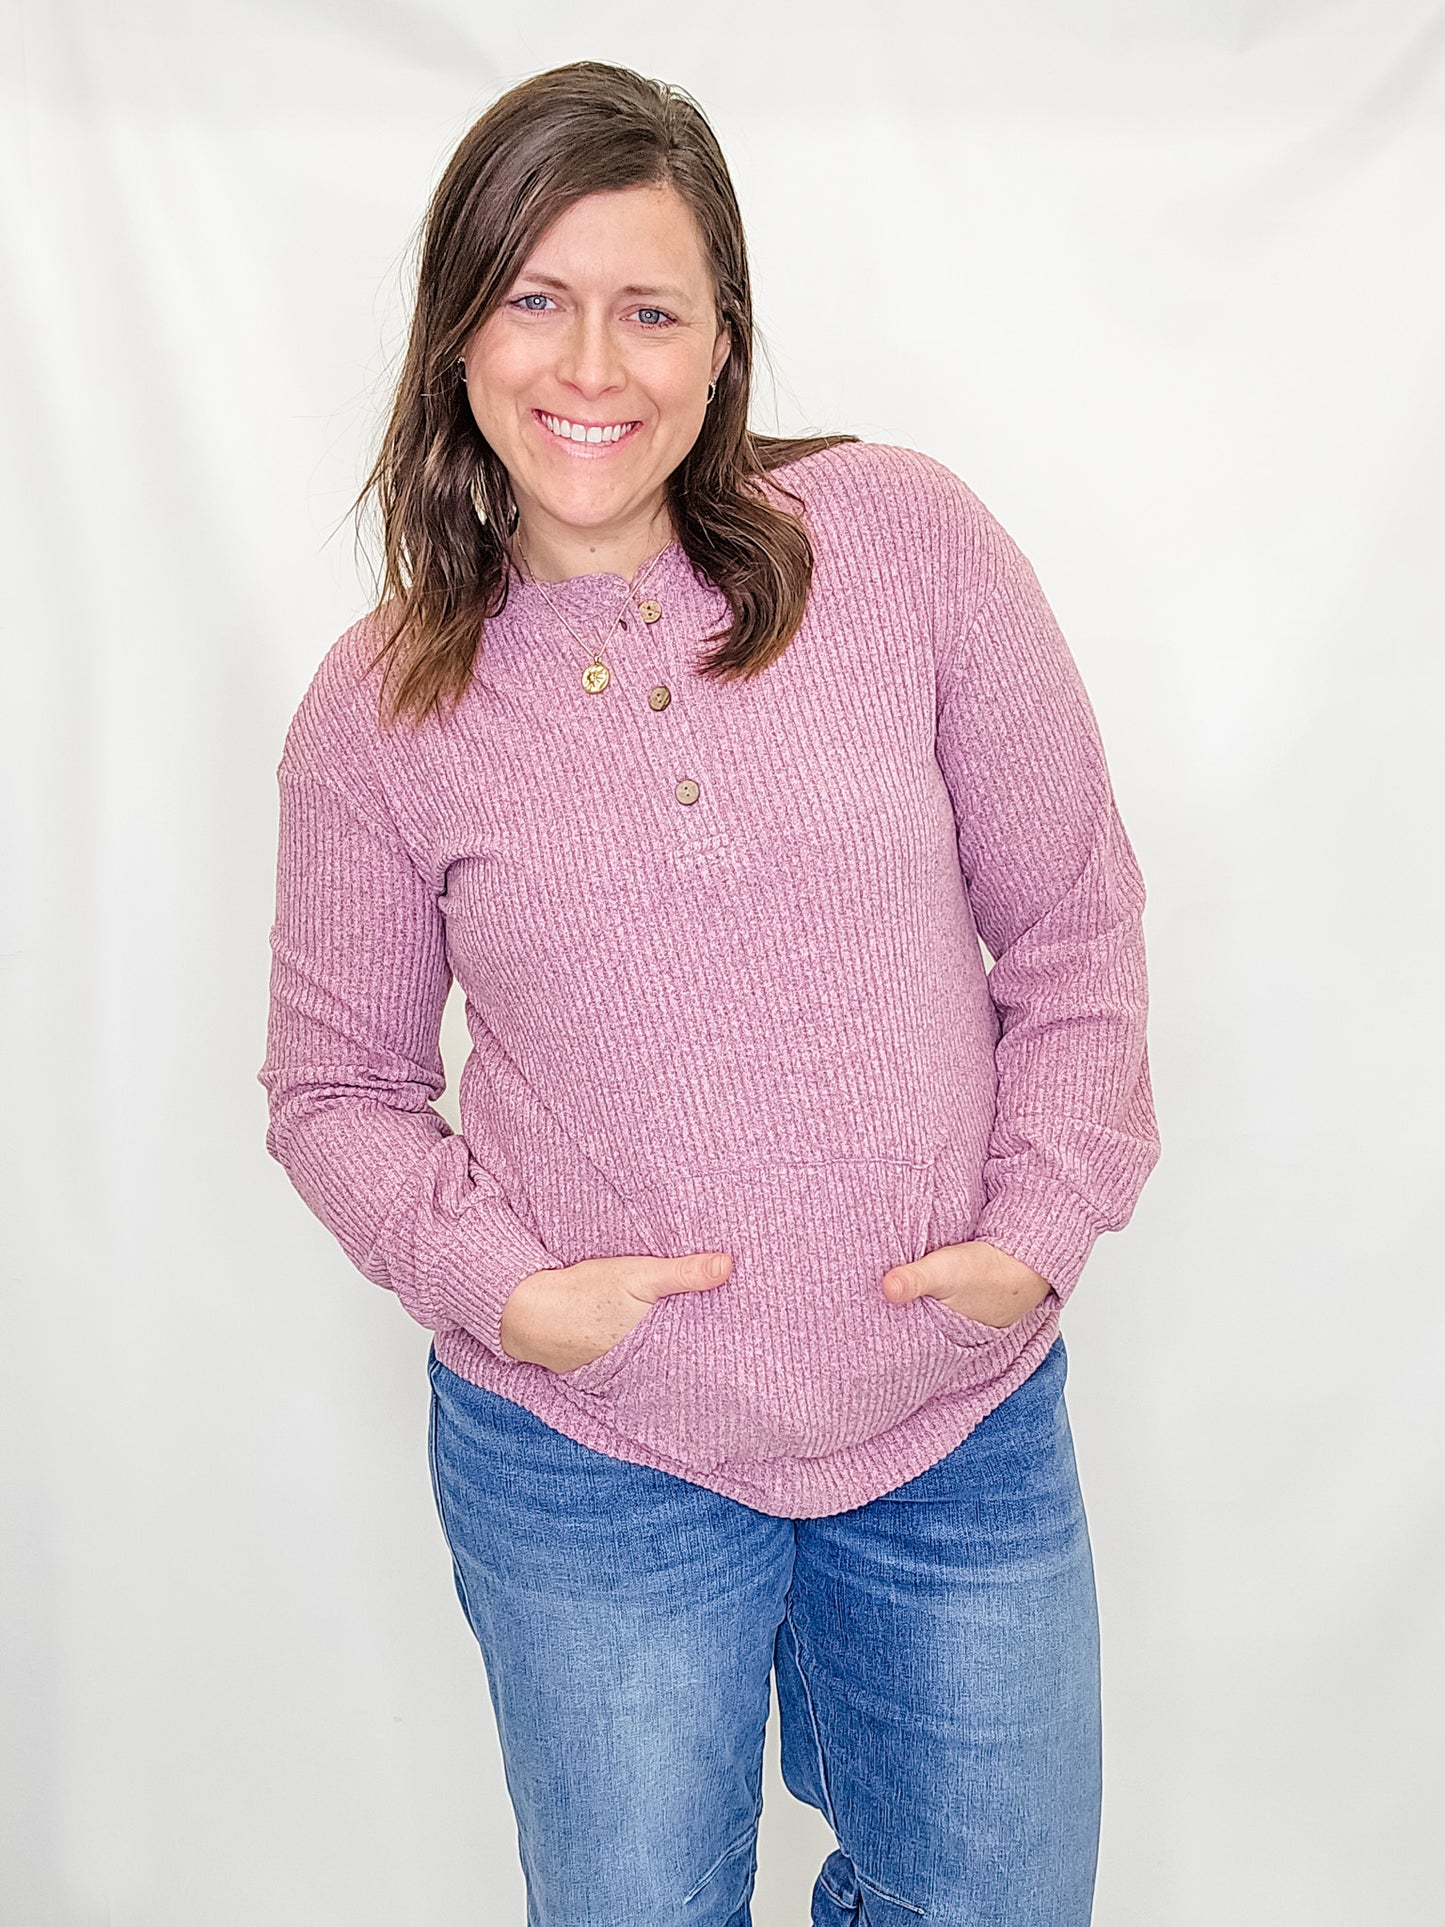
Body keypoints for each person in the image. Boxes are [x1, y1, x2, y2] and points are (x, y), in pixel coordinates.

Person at [258, 58, 1160, 1927]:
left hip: (953, 1424)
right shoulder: (378, 710)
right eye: (536, 298)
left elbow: (1071, 929)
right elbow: (333, 1090)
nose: (593, 366)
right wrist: (509, 1292)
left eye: (648, 309)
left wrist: (1043, 1223)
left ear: (720, 341)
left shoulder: (900, 544)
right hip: (595, 1459)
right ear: (456, 333)